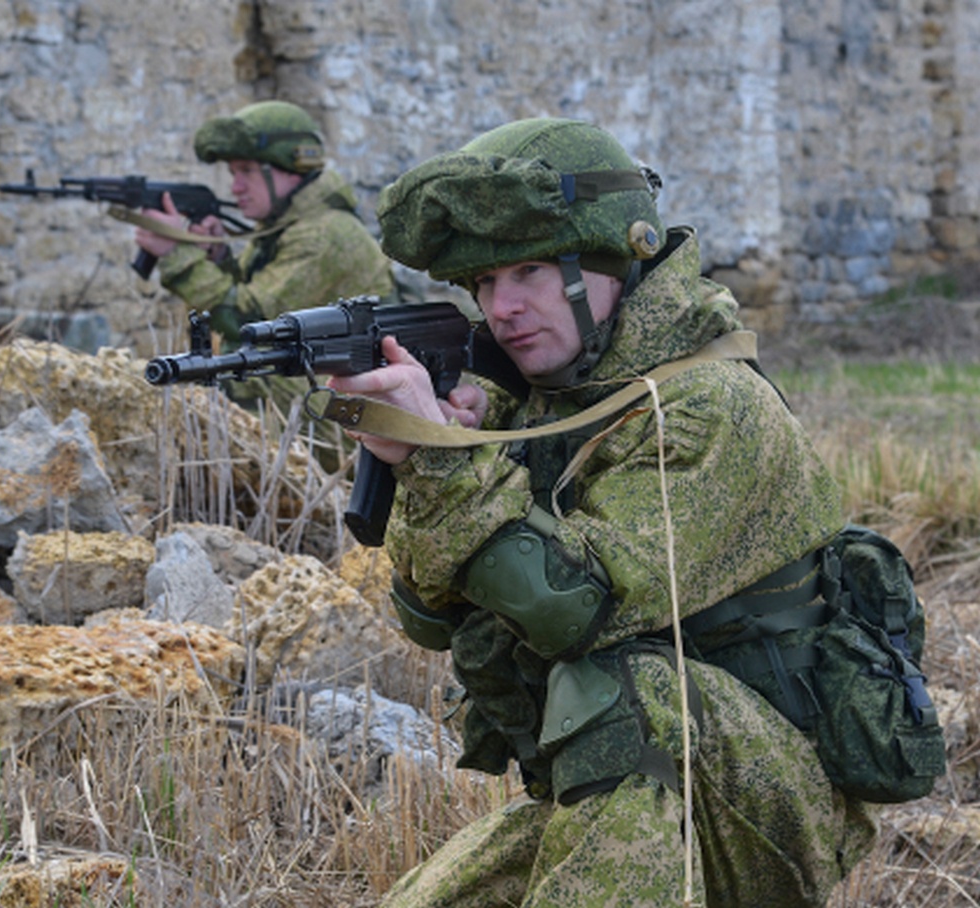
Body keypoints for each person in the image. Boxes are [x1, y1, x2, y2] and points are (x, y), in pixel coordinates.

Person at [327, 118, 884, 907]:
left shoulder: (711, 406)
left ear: (612, 260)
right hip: (632, 785)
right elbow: (428, 620)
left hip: (761, 799)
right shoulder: (546, 404)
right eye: (484, 284)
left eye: (529, 271)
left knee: (631, 683)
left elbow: (577, 613)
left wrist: (448, 463)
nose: (504, 306)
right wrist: (433, 456)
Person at [135, 100, 396, 422]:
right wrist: (218, 258)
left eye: (247, 171)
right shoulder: (288, 226)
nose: (235, 187)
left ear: (289, 166)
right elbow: (254, 295)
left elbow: (247, 322)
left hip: (346, 416)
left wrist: (178, 254)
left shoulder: (323, 233)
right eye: (233, 173)